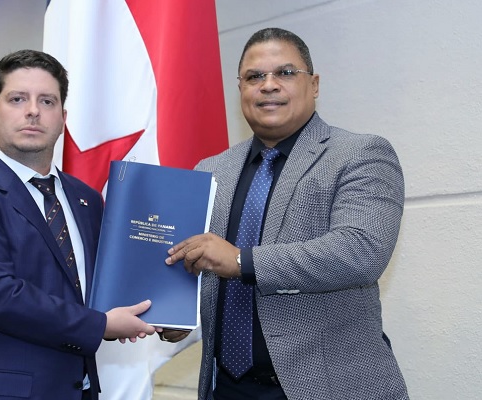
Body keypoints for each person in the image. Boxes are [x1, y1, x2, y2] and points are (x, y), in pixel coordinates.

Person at [163, 28, 409, 399]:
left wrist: (242, 260)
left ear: (315, 85)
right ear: (241, 89)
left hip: (327, 387)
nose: (268, 85)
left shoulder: (360, 154)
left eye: (285, 73)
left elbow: (360, 251)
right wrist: (180, 316)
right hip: (226, 387)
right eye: (254, 77)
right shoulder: (210, 171)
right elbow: (202, 269)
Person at [0, 49, 157, 400]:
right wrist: (102, 325)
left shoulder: (87, 199)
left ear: (63, 117)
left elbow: (103, 287)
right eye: (17, 99)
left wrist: (165, 316)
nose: (33, 110)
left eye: (47, 101)